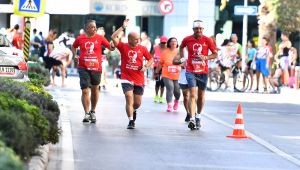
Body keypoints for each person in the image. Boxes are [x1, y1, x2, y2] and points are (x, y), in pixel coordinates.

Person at [173, 20, 218, 130]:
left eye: (200, 28)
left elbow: (215, 54)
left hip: (203, 71)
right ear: (193, 29)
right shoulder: (187, 39)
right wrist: (183, 58)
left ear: (203, 29)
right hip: (190, 70)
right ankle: (192, 118)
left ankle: (198, 116)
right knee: (193, 94)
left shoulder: (207, 40)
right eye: (196, 28)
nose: (198, 30)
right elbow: (181, 47)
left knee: (201, 96)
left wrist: (206, 57)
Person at [111, 19, 153, 129]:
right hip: (126, 77)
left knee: (137, 103)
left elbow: (151, 59)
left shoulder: (142, 48)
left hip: (139, 78)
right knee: (129, 97)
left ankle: (134, 110)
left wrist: (145, 67)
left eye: (138, 39)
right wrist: (122, 27)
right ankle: (130, 121)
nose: (138, 41)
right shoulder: (123, 46)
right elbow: (113, 37)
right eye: (135, 39)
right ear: (129, 39)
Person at [71, 19, 115, 123]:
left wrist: (113, 45)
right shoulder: (80, 38)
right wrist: (75, 55)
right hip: (83, 67)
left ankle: (93, 111)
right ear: (86, 28)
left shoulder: (100, 38)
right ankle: (86, 113)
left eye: (95, 27)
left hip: (96, 68)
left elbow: (110, 47)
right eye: (92, 27)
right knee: (85, 90)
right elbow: (73, 46)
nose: (94, 29)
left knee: (95, 89)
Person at [155, 37, 181, 112]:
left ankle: (176, 101)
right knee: (170, 87)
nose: (173, 43)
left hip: (176, 75)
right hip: (166, 74)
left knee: (177, 91)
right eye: (172, 41)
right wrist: (156, 71)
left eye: (175, 42)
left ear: (177, 43)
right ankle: (169, 104)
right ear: (169, 43)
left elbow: (184, 61)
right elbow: (160, 63)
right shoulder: (165, 52)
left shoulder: (179, 52)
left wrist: (182, 65)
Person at [152, 35, 167, 103]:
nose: (163, 44)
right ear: (160, 42)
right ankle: (156, 95)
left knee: (163, 83)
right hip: (156, 67)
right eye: (162, 42)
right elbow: (151, 55)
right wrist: (151, 64)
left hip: (164, 67)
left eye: (165, 43)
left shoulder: (168, 49)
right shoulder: (155, 48)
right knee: (157, 82)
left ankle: (161, 97)